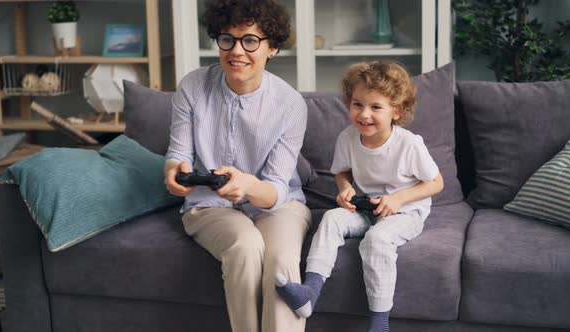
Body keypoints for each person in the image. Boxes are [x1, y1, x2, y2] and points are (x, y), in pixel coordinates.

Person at [163, 1, 311, 332]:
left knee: (282, 262)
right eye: (227, 39)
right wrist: (174, 173)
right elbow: (178, 153)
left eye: (250, 41)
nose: (236, 51)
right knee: (246, 246)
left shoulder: (290, 106)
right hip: (208, 204)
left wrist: (246, 185)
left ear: (272, 48)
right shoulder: (192, 87)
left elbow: (274, 190)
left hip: (278, 205)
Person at [275, 61, 444, 332]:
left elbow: (436, 183)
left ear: (396, 111)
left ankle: (379, 324)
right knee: (331, 218)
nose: (364, 114)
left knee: (376, 240)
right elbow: (343, 173)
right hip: (367, 207)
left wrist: (399, 199)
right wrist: (345, 189)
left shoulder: (409, 144)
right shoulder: (347, 137)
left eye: (376, 107)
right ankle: (309, 293)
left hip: (405, 212)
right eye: (357, 104)